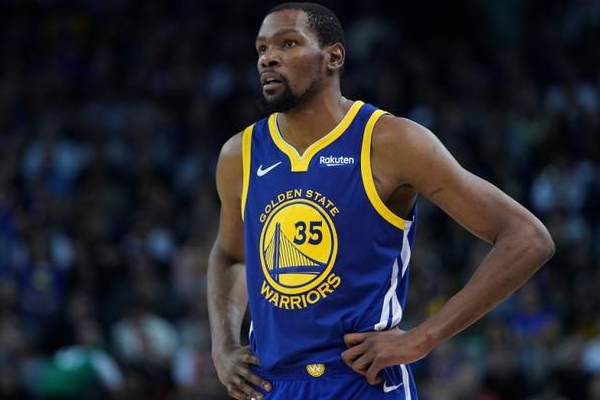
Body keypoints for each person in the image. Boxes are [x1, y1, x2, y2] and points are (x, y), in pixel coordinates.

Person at [207, 2, 555, 400]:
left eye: (288, 43)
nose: (268, 58)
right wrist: (223, 346)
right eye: (262, 48)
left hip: (361, 381)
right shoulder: (239, 154)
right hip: (270, 385)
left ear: (334, 57)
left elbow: (528, 238)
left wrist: (423, 338)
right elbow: (230, 255)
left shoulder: (390, 141)